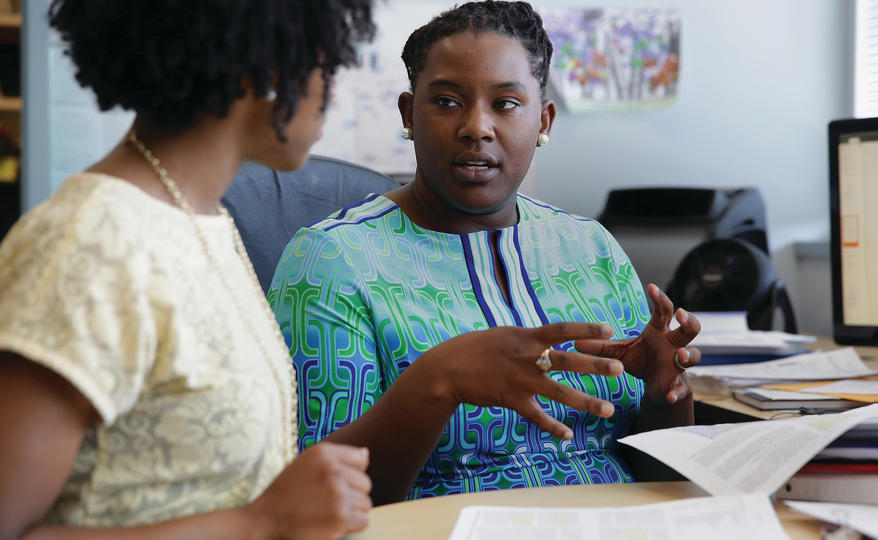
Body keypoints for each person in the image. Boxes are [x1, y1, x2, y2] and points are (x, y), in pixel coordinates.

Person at [268, 0, 702, 505]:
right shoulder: (333, 260)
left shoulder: (591, 247)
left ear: (544, 120)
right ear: (409, 113)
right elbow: (316, 497)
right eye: (447, 101)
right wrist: (437, 382)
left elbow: (658, 475)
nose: (476, 126)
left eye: (506, 104)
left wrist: (667, 393)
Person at [0, 1, 377, 538]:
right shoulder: (92, 243)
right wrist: (261, 521)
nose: (332, 90)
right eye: (327, 63)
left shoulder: (203, 220)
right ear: (269, 63)